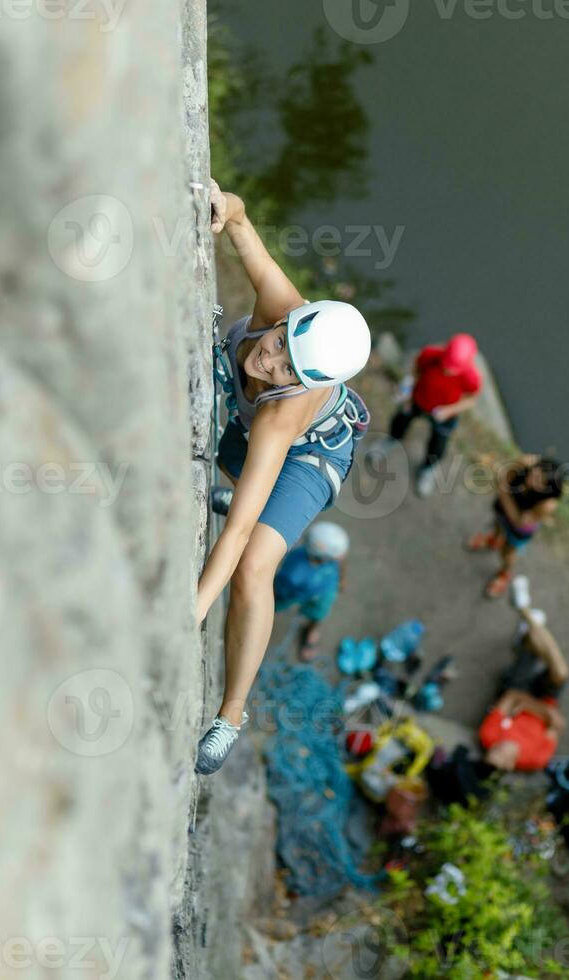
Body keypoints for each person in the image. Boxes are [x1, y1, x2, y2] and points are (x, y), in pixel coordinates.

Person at [195, 180, 371, 775]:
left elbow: (242, 532)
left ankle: (230, 714)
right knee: (230, 471)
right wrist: (222, 203)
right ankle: (235, 485)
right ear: (286, 324)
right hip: (248, 440)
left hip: (312, 456)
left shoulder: (281, 414)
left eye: (285, 369)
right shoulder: (283, 308)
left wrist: (189, 613)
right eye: (274, 346)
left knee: (253, 567)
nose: (265, 361)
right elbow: (242, 224)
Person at [381, 334, 482, 498]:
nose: (448, 371)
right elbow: (416, 371)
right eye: (447, 365)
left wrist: (449, 410)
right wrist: (407, 390)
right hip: (419, 399)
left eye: (454, 369)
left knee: (438, 444)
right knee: (400, 421)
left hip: (444, 413)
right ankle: (390, 440)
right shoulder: (430, 355)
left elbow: (471, 400)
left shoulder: (471, 377)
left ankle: (428, 468)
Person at [478, 598, 569, 772]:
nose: (498, 746)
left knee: (531, 656)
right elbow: (557, 725)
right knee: (561, 673)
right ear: (511, 765)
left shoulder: (488, 736)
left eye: (493, 749)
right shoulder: (535, 759)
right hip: (546, 699)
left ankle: (527, 617)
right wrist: (532, 708)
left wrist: (530, 707)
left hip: (517, 689)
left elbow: (511, 696)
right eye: (500, 754)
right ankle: (528, 621)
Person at [466, 454, 566, 598]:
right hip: (503, 512)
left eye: (541, 482)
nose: (533, 479)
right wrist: (505, 488)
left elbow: (520, 522)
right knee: (497, 527)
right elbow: (506, 477)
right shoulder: (524, 465)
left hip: (519, 529)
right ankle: (493, 541)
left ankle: (504, 573)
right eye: (537, 472)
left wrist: (503, 491)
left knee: (508, 552)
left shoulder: (547, 504)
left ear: (548, 489)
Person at [273, 521, 349, 660]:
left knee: (319, 614)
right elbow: (282, 591)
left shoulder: (330, 555)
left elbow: (341, 561)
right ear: (323, 557)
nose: (339, 558)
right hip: (294, 594)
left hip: (325, 590)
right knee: (273, 606)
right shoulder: (294, 574)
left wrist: (341, 581)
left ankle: (312, 630)